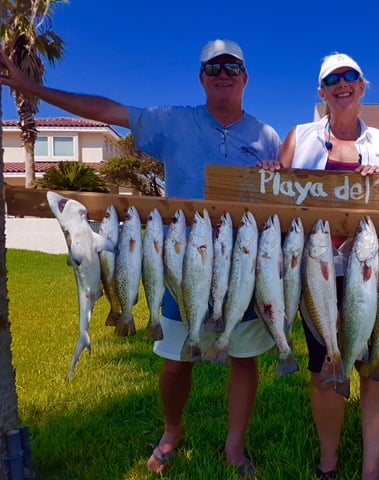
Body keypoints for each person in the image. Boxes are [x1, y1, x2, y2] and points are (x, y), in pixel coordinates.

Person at [0, 39, 281, 478]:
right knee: (176, 358)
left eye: (232, 66)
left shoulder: (268, 137)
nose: (223, 73)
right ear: (201, 77)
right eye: (213, 67)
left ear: (245, 77)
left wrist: (275, 176)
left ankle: (234, 445)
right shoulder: (172, 121)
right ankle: (172, 431)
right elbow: (106, 110)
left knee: (243, 357)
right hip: (176, 260)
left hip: (239, 263)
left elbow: (283, 199)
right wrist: (32, 89)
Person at [264, 52, 379, 480]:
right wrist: (271, 172)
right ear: (321, 91)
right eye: (332, 79)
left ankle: (371, 467)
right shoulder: (299, 136)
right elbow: (277, 196)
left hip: (371, 270)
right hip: (315, 268)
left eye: (351, 77)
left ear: (362, 86)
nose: (342, 84)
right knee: (324, 362)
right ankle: (328, 460)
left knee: (374, 364)